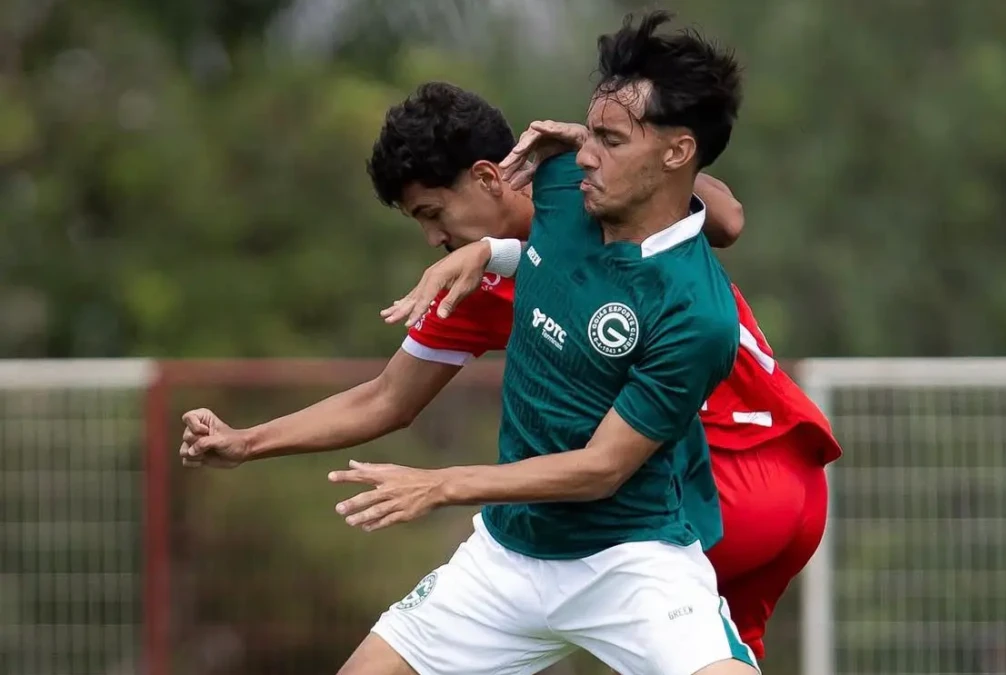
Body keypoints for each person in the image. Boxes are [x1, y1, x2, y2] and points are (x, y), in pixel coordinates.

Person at [183, 12, 773, 675]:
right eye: (588, 135)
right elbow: (389, 394)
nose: (584, 152)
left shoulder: (695, 313)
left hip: (632, 556)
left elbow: (602, 466)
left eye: (607, 139)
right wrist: (493, 252)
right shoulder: (559, 187)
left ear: (675, 152)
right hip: (507, 557)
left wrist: (441, 484)